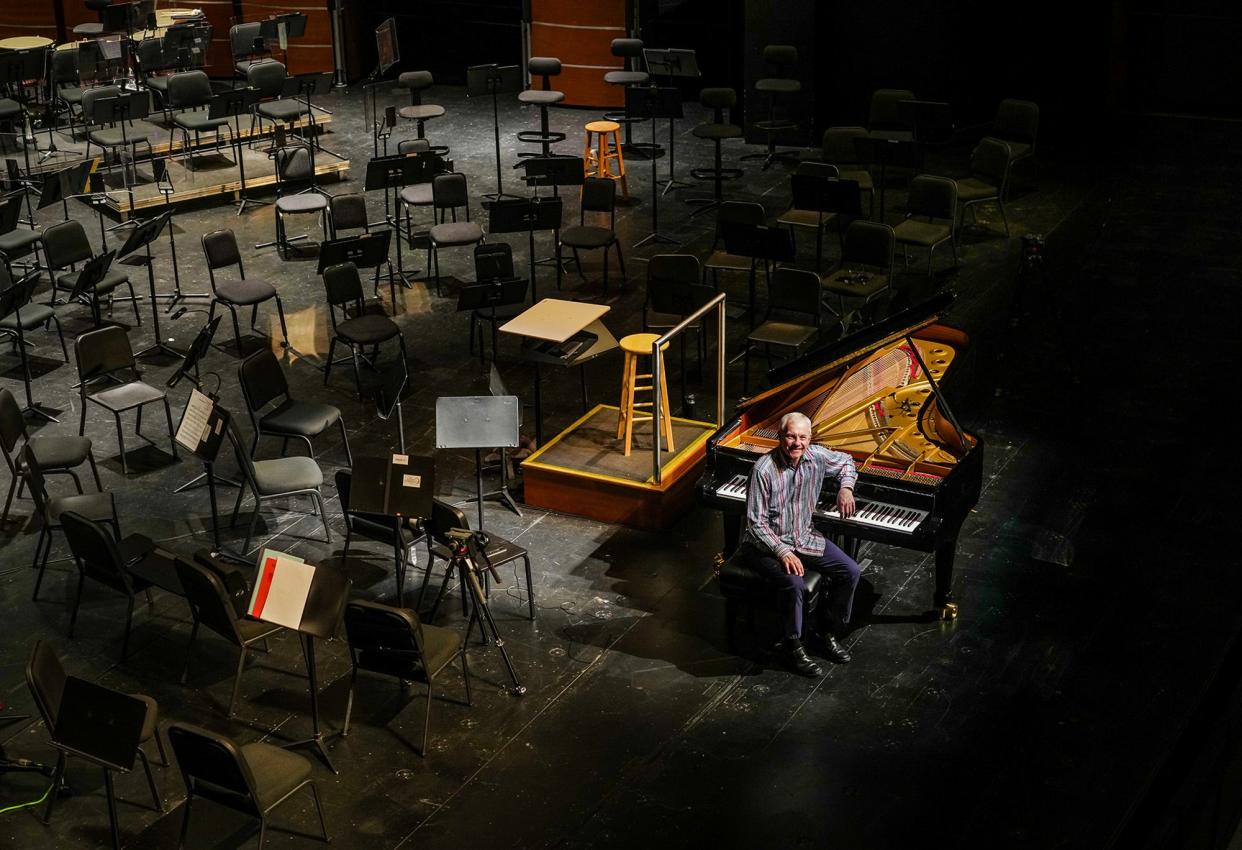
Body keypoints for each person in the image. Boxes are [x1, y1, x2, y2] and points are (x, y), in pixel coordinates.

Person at [742, 411, 861, 676]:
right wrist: (782, 551)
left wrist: (846, 487)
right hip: (764, 546)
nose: (797, 443)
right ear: (780, 437)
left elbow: (847, 462)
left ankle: (826, 632)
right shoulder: (763, 469)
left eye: (802, 437)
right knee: (794, 583)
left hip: (804, 536)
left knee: (850, 571)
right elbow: (755, 523)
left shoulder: (816, 456)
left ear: (810, 438)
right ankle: (792, 646)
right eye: (790, 436)